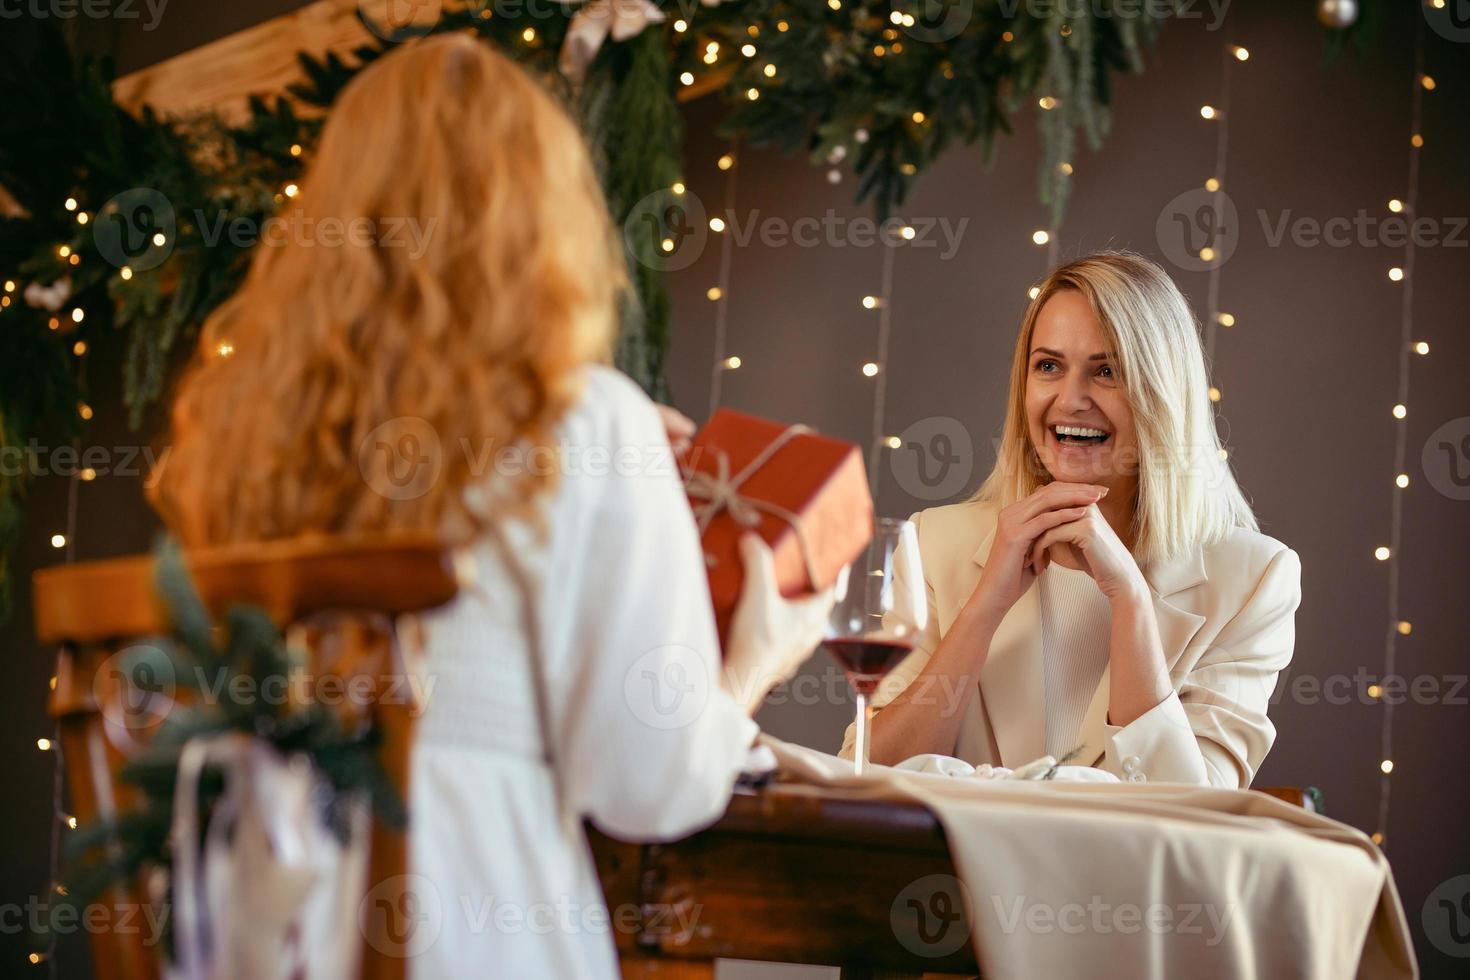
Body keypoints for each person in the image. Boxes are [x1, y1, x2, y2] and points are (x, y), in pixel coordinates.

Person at [149, 35, 828, 977]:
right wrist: (751, 665)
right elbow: (646, 786)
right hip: (468, 923)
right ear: (541, 220)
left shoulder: (246, 430)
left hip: (259, 922)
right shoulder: (586, 421)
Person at [848, 251, 1301, 788]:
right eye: (1048, 366)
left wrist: (1130, 599)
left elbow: (1195, 813)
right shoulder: (934, 542)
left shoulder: (1253, 577)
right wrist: (983, 607)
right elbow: (865, 779)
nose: (1071, 400)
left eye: (1106, 371)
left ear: (1162, 391)